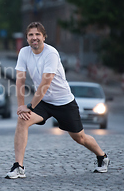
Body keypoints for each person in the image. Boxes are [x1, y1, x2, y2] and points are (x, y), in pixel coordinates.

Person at [6, 22, 109, 179]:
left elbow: (45, 84)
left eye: (37, 35)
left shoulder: (51, 53)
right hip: (43, 102)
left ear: (44, 37)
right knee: (22, 120)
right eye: (31, 35)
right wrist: (21, 106)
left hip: (63, 102)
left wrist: (29, 106)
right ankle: (18, 166)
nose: (34, 38)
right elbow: (20, 80)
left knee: (79, 137)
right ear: (27, 38)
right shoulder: (24, 53)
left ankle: (102, 157)